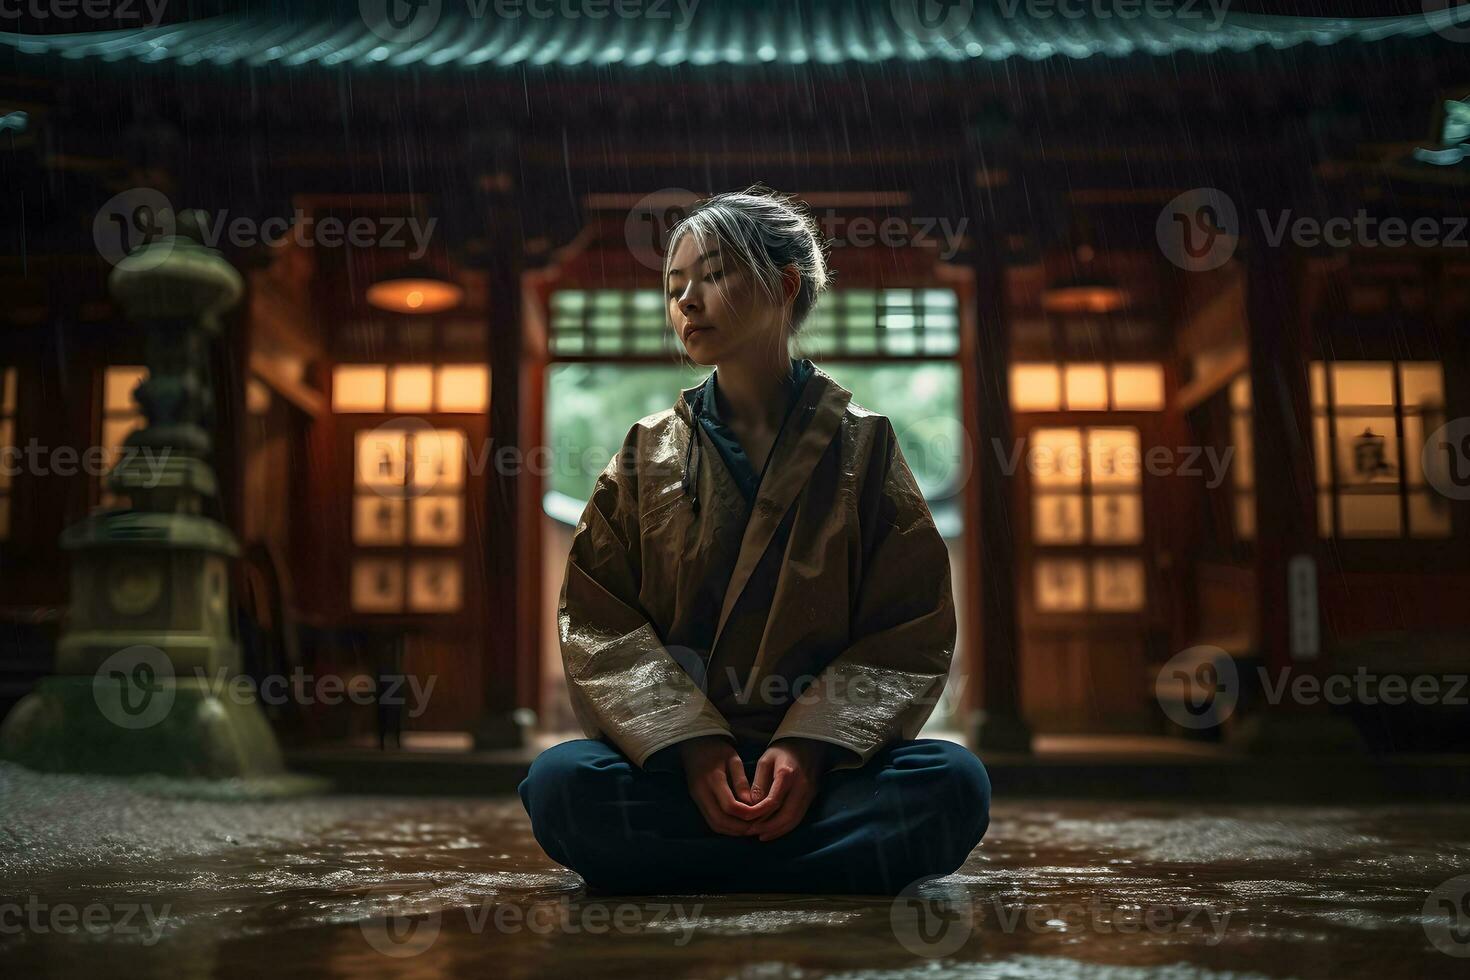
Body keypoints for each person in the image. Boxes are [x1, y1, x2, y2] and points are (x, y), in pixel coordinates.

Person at [519, 186, 990, 895]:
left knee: (954, 784)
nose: (687, 301)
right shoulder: (644, 455)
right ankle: (803, 864)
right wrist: (693, 743)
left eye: (711, 275)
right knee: (559, 783)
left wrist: (808, 745)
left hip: (828, 768)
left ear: (784, 284)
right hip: (677, 763)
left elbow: (909, 628)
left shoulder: (865, 445)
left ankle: (699, 863)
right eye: (675, 286)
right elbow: (599, 623)